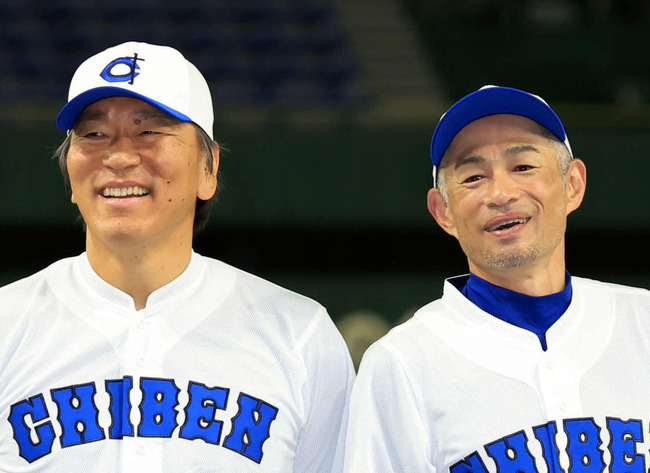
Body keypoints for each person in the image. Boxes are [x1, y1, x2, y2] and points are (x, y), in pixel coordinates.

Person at [0, 41, 354, 472]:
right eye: (93, 134)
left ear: (209, 167)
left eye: (149, 132)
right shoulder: (7, 324)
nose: (119, 156)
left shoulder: (298, 334)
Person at [344, 85, 650, 472]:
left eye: (523, 167)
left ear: (572, 184)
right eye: (474, 177)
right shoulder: (402, 363)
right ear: (443, 211)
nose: (501, 193)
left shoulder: (643, 322)